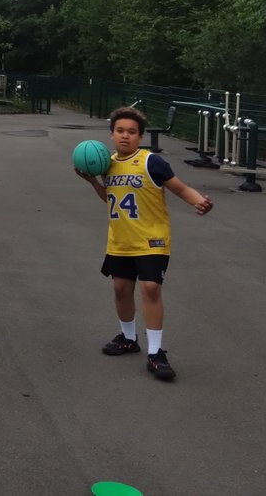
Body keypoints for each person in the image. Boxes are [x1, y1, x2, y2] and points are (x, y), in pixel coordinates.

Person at [76, 106, 213, 381]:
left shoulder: (151, 162)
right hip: (121, 240)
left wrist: (199, 201)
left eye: (132, 132)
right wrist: (93, 181)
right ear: (112, 135)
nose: (125, 136)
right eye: (120, 131)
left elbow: (180, 188)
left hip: (153, 238)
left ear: (140, 137)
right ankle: (128, 339)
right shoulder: (107, 164)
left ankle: (156, 353)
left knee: (151, 288)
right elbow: (112, 198)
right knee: (120, 289)